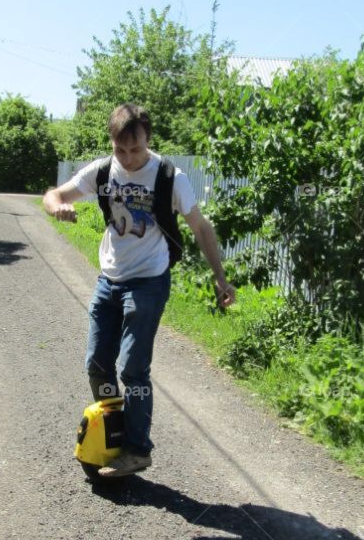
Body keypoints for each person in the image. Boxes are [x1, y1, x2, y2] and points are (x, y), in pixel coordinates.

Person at [43, 102, 236, 478]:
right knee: (97, 366)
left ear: (148, 139)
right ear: (111, 143)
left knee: (133, 368)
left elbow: (201, 228)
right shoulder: (101, 171)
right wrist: (57, 210)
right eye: (121, 150)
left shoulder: (169, 177)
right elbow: (55, 195)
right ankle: (113, 432)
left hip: (149, 281)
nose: (129, 159)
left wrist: (221, 277)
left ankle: (136, 449)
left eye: (136, 149)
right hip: (108, 280)